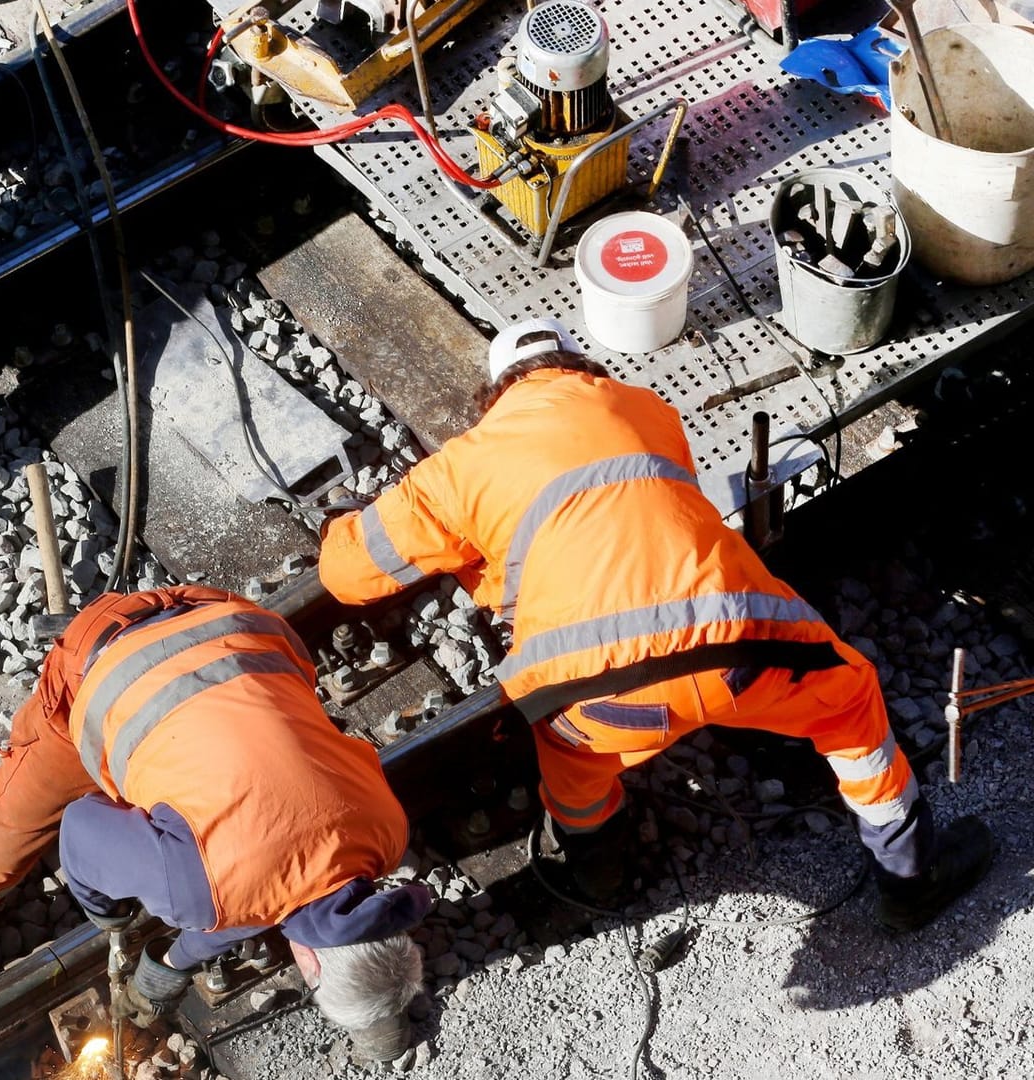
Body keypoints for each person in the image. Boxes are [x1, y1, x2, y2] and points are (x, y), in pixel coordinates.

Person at [318, 317, 993, 931]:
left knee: (574, 767)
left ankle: (601, 872)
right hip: (740, 649)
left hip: (596, 695)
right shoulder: (646, 409)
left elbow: (347, 576)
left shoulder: (462, 464)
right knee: (850, 704)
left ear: (493, 397)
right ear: (583, 369)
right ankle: (911, 878)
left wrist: (364, 529)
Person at [0, 586, 431, 1061]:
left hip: (237, 626)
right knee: (6, 834)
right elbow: (79, 830)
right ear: (313, 963)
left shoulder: (387, 831)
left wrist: (174, 961)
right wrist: (106, 910)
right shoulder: (199, 893)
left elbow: (267, 888)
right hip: (104, 660)